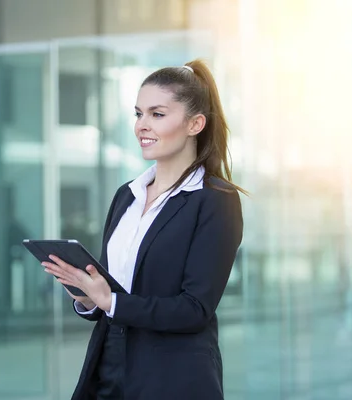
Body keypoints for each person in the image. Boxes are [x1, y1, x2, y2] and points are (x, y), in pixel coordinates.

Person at [43, 59, 245, 400]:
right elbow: (114, 295)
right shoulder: (127, 195)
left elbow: (195, 309)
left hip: (172, 377)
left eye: (157, 114)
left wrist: (111, 300)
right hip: (108, 366)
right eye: (138, 114)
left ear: (196, 124)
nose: (142, 126)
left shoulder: (214, 200)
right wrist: (88, 296)